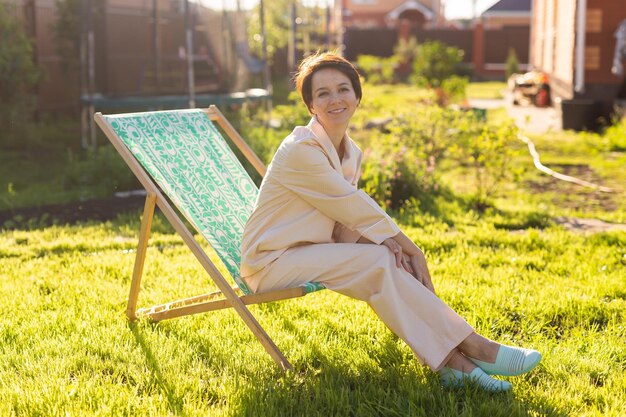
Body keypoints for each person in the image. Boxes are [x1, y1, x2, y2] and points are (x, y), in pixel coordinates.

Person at [240, 51, 541, 392]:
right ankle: (475, 348)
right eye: (322, 94)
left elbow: (343, 225)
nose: (335, 99)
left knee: (387, 259)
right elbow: (351, 205)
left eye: (343, 89)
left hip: (309, 251)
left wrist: (390, 244)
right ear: (310, 105)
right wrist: (408, 246)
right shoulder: (301, 150)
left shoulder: (349, 151)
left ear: (357, 96)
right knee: (384, 261)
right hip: (270, 262)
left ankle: (454, 365)